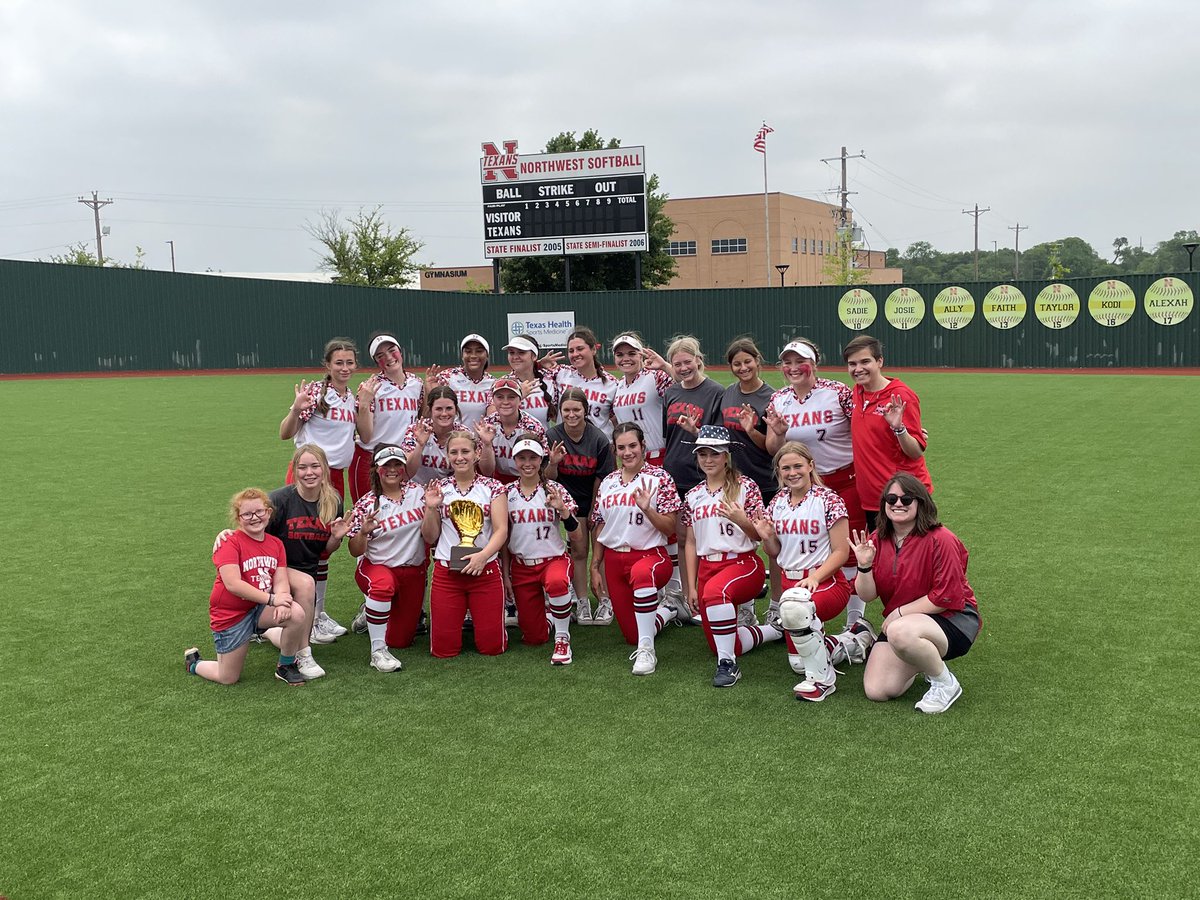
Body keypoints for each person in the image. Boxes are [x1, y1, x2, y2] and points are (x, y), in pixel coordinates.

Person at [764, 338, 868, 634]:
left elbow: (864, 423)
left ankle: (854, 620)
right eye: (787, 362)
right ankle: (802, 607)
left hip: (844, 479)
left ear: (815, 363)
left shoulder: (837, 392)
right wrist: (780, 433)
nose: (793, 368)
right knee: (802, 545)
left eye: (800, 361)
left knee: (849, 549)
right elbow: (774, 448)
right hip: (802, 487)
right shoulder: (779, 399)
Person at [852, 474, 980, 714]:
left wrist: (899, 613)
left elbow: (945, 597)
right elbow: (866, 595)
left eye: (906, 498)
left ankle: (945, 684)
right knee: (877, 690)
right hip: (905, 625)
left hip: (952, 620)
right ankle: (923, 659)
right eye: (891, 499)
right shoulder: (877, 541)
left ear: (921, 502)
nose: (898, 503)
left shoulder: (942, 539)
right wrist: (864, 566)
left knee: (899, 630)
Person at [756, 441, 865, 702]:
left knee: (797, 610)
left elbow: (841, 551)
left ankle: (823, 682)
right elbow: (774, 552)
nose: (792, 473)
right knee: (798, 663)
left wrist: (815, 577)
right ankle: (854, 640)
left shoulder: (829, 499)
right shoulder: (778, 501)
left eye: (797, 466)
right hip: (790, 582)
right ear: (779, 472)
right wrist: (768, 536)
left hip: (825, 582)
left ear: (810, 466)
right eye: (785, 468)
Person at [278, 337, 371, 640]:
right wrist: (295, 408)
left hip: (334, 477)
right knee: (301, 544)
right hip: (307, 474)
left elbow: (365, 435)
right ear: (327, 365)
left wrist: (366, 405)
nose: (344, 368)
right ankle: (295, 614)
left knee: (325, 545)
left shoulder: (352, 397)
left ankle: (317, 615)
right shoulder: (317, 394)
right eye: (338, 363)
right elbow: (285, 433)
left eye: (349, 363)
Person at [681, 426, 781, 688]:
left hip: (741, 562)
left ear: (726, 456)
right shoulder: (693, 495)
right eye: (702, 453)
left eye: (714, 453)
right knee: (721, 642)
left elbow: (759, 536)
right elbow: (690, 542)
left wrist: (742, 521)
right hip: (706, 567)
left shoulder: (745, 487)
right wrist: (690, 586)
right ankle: (774, 631)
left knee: (716, 597)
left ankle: (729, 666)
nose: (708, 459)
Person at [185, 488, 310, 686]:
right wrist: (272, 600)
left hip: (257, 608)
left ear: (268, 512)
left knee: (296, 614)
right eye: (247, 514)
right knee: (228, 677)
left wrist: (284, 600)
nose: (254, 518)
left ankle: (285, 666)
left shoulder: (276, 544)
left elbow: (280, 580)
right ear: (238, 517)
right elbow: (233, 584)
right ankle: (194, 664)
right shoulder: (229, 542)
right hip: (231, 614)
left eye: (259, 512)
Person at [589, 422, 684, 676]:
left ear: (643, 446)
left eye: (633, 446)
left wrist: (648, 509)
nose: (627, 452)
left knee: (643, 578)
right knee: (632, 633)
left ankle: (647, 651)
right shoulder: (608, 482)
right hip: (614, 560)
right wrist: (595, 565)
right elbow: (600, 526)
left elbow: (670, 528)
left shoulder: (660, 478)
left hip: (650, 555)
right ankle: (669, 610)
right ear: (615, 451)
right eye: (621, 448)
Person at [420, 430, 509, 658]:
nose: (460, 457)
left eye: (465, 451)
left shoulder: (494, 487)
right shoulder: (439, 488)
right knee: (443, 650)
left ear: (477, 453)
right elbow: (429, 537)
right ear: (447, 456)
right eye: (454, 452)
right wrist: (431, 508)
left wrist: (483, 556)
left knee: (492, 648)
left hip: (485, 569)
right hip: (448, 571)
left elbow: (501, 530)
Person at [345, 444, 430, 673]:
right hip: (378, 566)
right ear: (377, 470)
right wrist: (362, 532)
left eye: (397, 465)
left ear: (403, 468)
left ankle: (370, 615)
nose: (392, 470)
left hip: (412, 570)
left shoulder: (419, 493)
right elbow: (354, 550)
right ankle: (377, 651)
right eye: (386, 466)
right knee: (382, 586)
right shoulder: (366, 504)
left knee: (401, 640)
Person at [502, 435, 587, 664]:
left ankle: (562, 638)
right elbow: (504, 539)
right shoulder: (505, 493)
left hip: (553, 559)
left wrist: (564, 511)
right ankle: (552, 617)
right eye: (522, 458)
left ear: (542, 460)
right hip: (522, 566)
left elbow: (577, 536)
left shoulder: (554, 489)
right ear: (514, 460)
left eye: (533, 457)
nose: (527, 463)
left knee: (557, 582)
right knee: (534, 637)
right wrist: (506, 575)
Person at [660, 335, 725, 615]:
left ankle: (707, 592)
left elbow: (721, 439)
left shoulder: (715, 392)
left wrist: (697, 434)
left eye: (688, 362)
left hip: (703, 474)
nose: (684, 368)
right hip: (674, 472)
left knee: (705, 538)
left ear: (698, 360)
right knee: (682, 537)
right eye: (677, 364)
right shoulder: (671, 393)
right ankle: (687, 596)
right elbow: (667, 435)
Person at [842, 334, 932, 531]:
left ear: (880, 361)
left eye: (865, 361)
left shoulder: (900, 395)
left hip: (902, 497)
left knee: (910, 557)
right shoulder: (857, 392)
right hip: (872, 497)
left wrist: (899, 429)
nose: (858, 369)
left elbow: (915, 451)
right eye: (852, 364)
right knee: (882, 558)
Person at [544, 386, 616, 624]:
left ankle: (605, 601)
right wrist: (553, 463)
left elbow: (602, 477)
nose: (571, 414)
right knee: (579, 550)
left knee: (600, 550)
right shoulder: (553, 436)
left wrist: (595, 508)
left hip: (594, 496)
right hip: (567, 500)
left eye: (577, 409)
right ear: (560, 411)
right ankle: (583, 602)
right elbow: (549, 477)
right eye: (566, 410)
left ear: (585, 410)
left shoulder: (598, 438)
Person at [349, 332, 423, 502]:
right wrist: (365, 404)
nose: (389, 357)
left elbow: (419, 419)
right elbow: (366, 436)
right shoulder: (370, 387)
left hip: (399, 459)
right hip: (370, 459)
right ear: (376, 362)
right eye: (380, 355)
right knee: (367, 513)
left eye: (392, 350)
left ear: (400, 351)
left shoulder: (416, 384)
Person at [401, 385, 491, 484]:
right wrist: (420, 445)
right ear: (430, 410)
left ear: (456, 410)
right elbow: (407, 473)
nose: (444, 414)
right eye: (438, 409)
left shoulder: (464, 433)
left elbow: (486, 472)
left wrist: (487, 444)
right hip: (417, 489)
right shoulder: (416, 430)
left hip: (450, 490)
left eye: (449, 408)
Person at [611, 332, 673, 466]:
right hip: (630, 458)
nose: (625, 358)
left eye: (631, 354)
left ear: (641, 355)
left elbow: (686, 385)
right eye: (620, 355)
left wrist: (665, 366)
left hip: (658, 456)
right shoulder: (617, 385)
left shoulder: (656, 377)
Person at [478, 376, 546, 484]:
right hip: (497, 480)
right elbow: (486, 471)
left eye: (511, 397)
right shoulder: (488, 425)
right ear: (493, 400)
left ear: (520, 400)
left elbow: (542, 467)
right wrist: (487, 444)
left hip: (527, 480)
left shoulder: (533, 427)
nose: (505, 402)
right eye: (500, 397)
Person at [553, 327, 618, 438]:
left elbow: (617, 418)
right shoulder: (559, 374)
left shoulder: (612, 384)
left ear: (593, 350)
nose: (575, 354)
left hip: (598, 447)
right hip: (566, 445)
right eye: (571, 351)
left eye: (580, 349)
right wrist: (539, 363)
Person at [427, 333, 496, 428]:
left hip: (481, 440)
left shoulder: (493, 384)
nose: (473, 356)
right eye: (468, 351)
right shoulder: (447, 377)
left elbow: (494, 417)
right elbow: (431, 413)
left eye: (479, 351)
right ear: (462, 355)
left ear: (487, 355)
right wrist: (431, 391)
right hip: (452, 439)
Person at [502, 334, 557, 427]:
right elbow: (495, 419)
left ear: (534, 356)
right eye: (511, 353)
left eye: (521, 352)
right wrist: (519, 397)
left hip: (543, 441)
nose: (515, 357)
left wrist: (538, 364)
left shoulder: (550, 379)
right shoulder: (503, 384)